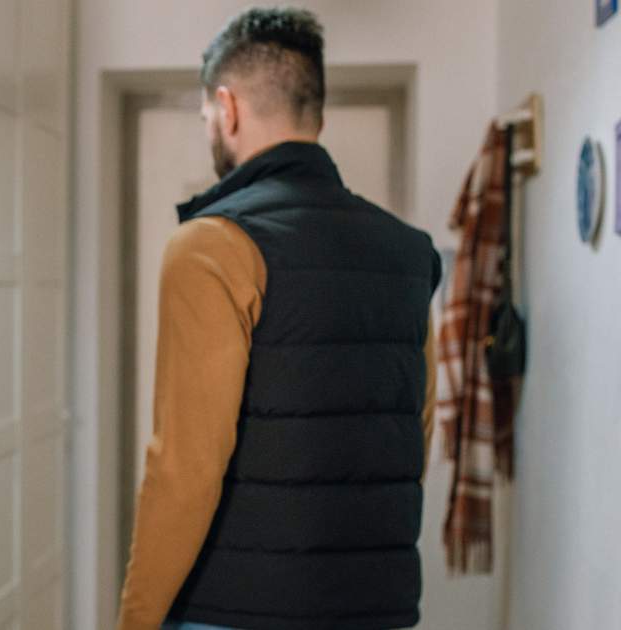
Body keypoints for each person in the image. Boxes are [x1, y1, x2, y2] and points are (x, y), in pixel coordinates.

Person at [117, 8, 440, 630]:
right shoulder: (409, 251)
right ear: (315, 115)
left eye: (209, 118)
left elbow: (183, 468)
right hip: (381, 608)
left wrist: (135, 621)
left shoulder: (210, 245)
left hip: (237, 610)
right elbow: (416, 430)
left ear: (227, 107)